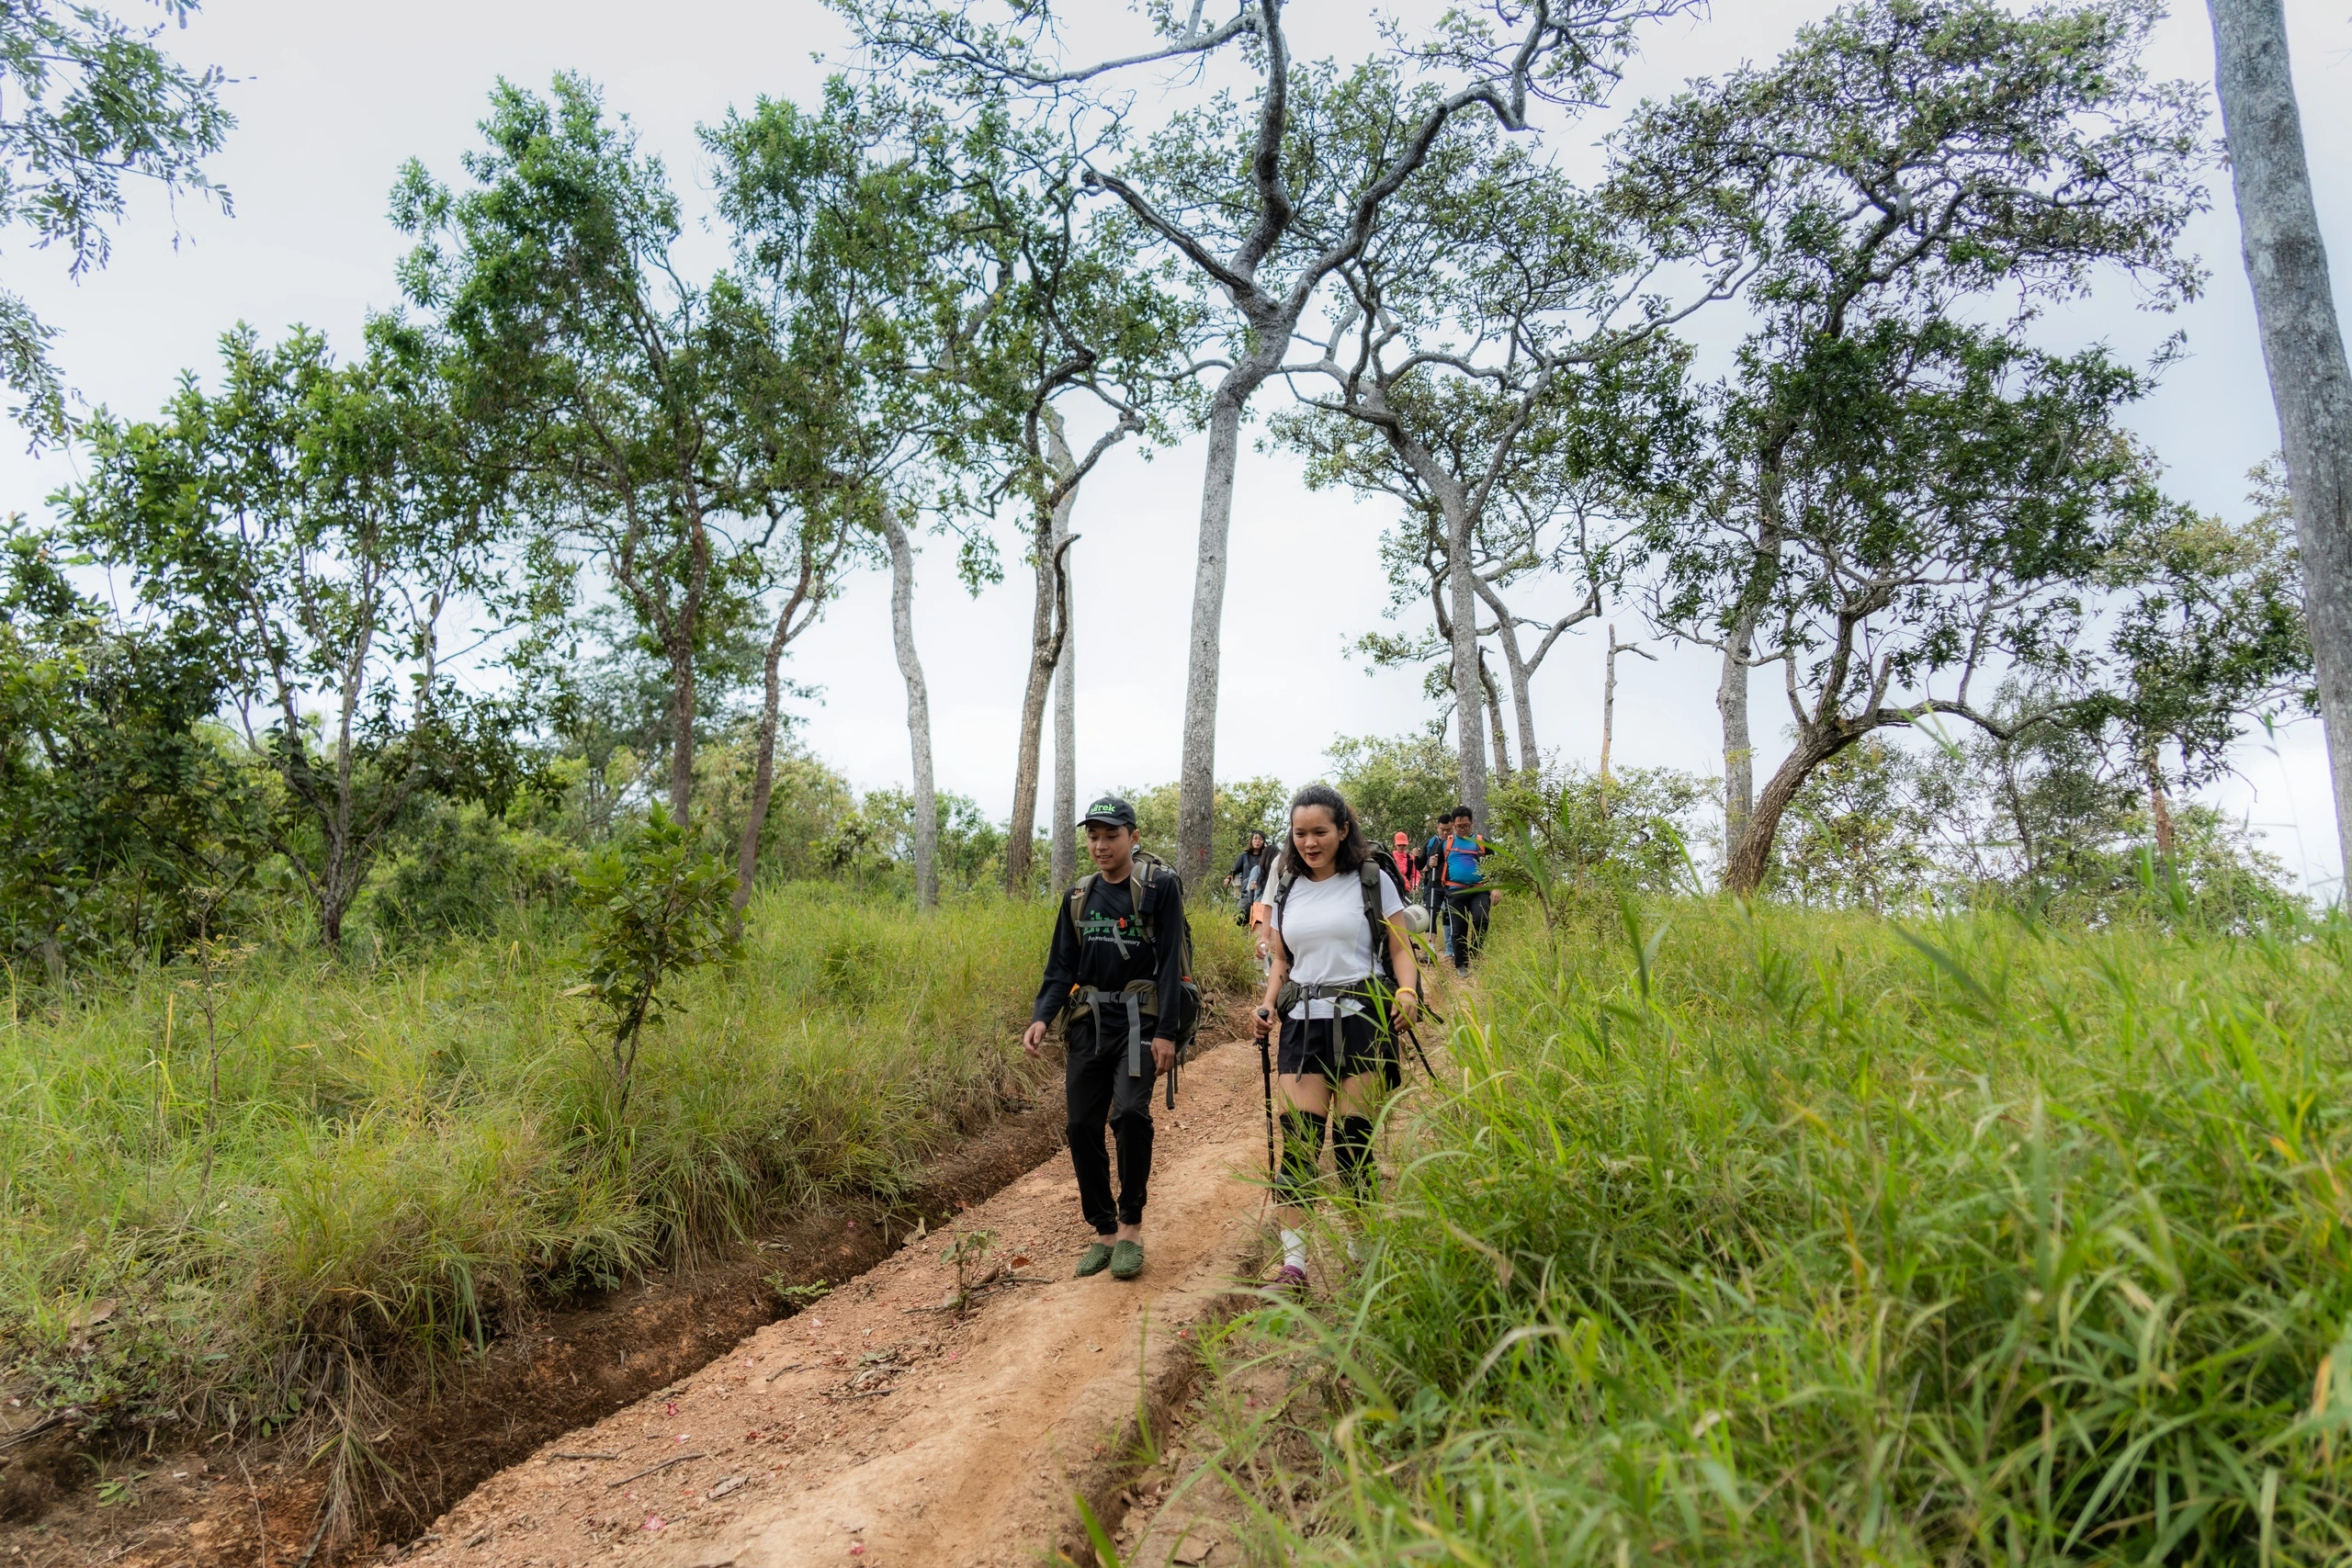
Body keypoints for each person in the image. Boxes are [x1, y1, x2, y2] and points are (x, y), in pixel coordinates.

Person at [1251, 784, 1420, 1292]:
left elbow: (1398, 949)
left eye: (1320, 831)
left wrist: (1407, 994)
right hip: (1302, 1022)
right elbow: (1282, 960)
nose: (1309, 842)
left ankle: (1360, 1257)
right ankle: (1294, 1268)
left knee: (1352, 1147)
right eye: (1300, 833)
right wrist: (1265, 1003)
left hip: (1362, 1018)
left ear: (1343, 830)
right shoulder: (1285, 886)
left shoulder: (1371, 879)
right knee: (1299, 1147)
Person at [1023, 795, 1188, 1281]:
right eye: (1093, 836)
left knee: (1131, 1114)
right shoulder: (1079, 895)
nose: (1100, 845)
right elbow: (1061, 966)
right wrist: (1042, 1017)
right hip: (1090, 1025)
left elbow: (1172, 963)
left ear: (1133, 838)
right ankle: (1104, 1231)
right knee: (1081, 1127)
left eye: (1111, 836)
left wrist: (1167, 1034)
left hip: (1141, 1021)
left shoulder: (1159, 888)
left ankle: (1131, 1226)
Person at [1424, 806, 1493, 976]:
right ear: (1453, 825)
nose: (1462, 829)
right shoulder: (1446, 844)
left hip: (1479, 890)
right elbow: (1433, 863)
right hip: (1455, 892)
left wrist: (1496, 888)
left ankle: (1475, 954)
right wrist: (1431, 863)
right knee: (1459, 928)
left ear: (1472, 823)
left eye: (1466, 826)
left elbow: (1496, 866)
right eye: (1459, 826)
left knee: (1481, 919)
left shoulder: (1482, 842)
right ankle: (1461, 964)